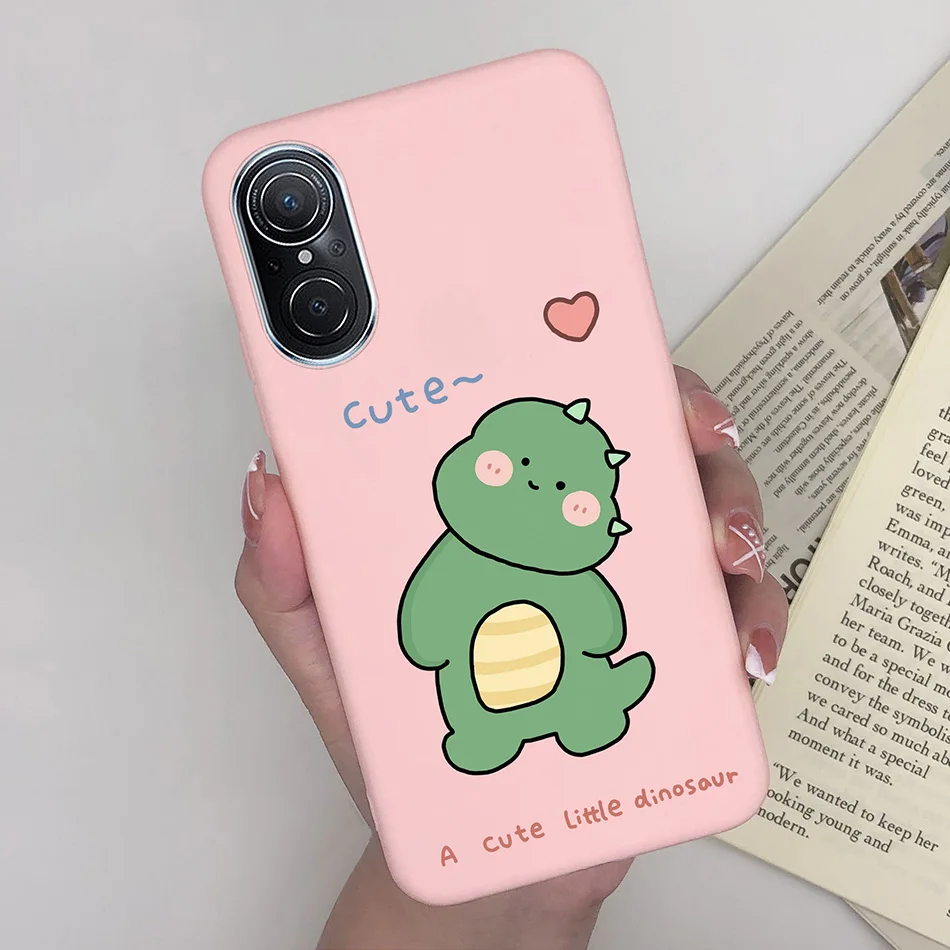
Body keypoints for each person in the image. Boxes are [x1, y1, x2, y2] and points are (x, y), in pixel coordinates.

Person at [235, 367, 788, 950]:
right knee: (488, 718)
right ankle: (515, 728)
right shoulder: (455, 564)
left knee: (583, 693)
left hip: (568, 689)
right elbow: (428, 630)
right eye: (499, 470)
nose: (536, 501)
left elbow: (597, 625)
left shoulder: (557, 576)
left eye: (577, 506)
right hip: (482, 709)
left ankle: (588, 711)